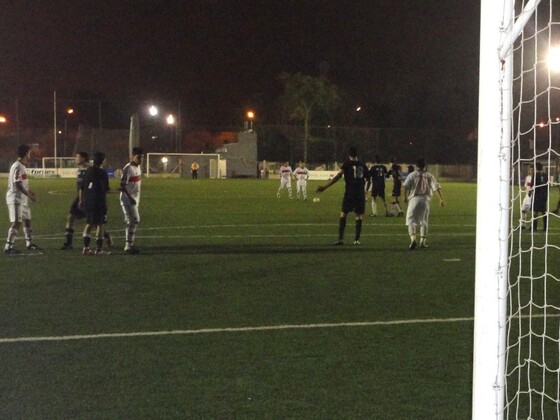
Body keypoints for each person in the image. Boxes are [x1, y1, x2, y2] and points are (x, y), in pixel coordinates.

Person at [317, 147, 369, 245]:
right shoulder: (363, 165)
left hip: (349, 193)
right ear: (357, 154)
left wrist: (325, 187)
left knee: (343, 214)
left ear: (349, 155)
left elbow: (337, 177)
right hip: (360, 194)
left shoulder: (347, 164)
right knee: (359, 216)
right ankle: (356, 240)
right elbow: (369, 179)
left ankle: (341, 239)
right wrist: (365, 192)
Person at [61, 152, 112, 250]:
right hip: (81, 198)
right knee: (71, 217)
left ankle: (106, 237)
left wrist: (82, 199)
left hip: (88, 198)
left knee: (95, 222)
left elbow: (86, 187)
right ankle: (68, 243)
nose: (75, 159)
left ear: (84, 158)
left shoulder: (90, 170)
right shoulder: (80, 170)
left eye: (77, 157)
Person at [403, 159, 445, 250]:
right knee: (424, 221)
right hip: (425, 200)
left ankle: (413, 239)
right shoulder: (429, 175)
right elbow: (436, 187)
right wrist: (441, 199)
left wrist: (404, 197)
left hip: (414, 199)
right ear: (424, 166)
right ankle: (423, 241)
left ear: (416, 166)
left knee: (410, 220)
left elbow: (405, 186)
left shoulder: (412, 175)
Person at [4, 144, 39, 254]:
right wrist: (29, 194)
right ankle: (8, 247)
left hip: (23, 199)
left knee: (27, 220)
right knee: (16, 222)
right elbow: (17, 184)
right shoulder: (18, 166)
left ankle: (29, 243)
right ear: (25, 154)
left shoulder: (22, 166)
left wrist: (28, 191)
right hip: (16, 198)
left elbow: (22, 183)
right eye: (29, 153)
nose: (30, 155)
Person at [82, 152, 110, 255]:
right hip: (98, 201)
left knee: (89, 223)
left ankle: (85, 248)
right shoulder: (102, 173)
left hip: (88, 200)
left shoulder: (88, 171)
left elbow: (82, 186)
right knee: (100, 224)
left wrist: (82, 200)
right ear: (102, 161)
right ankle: (98, 250)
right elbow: (105, 189)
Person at [120, 147, 143, 254]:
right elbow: (122, 186)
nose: (140, 159)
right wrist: (130, 198)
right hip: (127, 199)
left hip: (134, 199)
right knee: (134, 220)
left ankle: (129, 245)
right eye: (138, 157)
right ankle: (128, 246)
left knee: (132, 221)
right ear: (132, 157)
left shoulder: (138, 167)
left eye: (141, 157)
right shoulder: (128, 168)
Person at [532, 162, 548, 232]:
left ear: (536, 167)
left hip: (537, 195)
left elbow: (533, 185)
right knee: (544, 212)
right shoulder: (545, 174)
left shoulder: (535, 175)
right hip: (544, 195)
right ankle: (545, 228)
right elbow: (547, 185)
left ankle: (534, 228)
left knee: (535, 212)